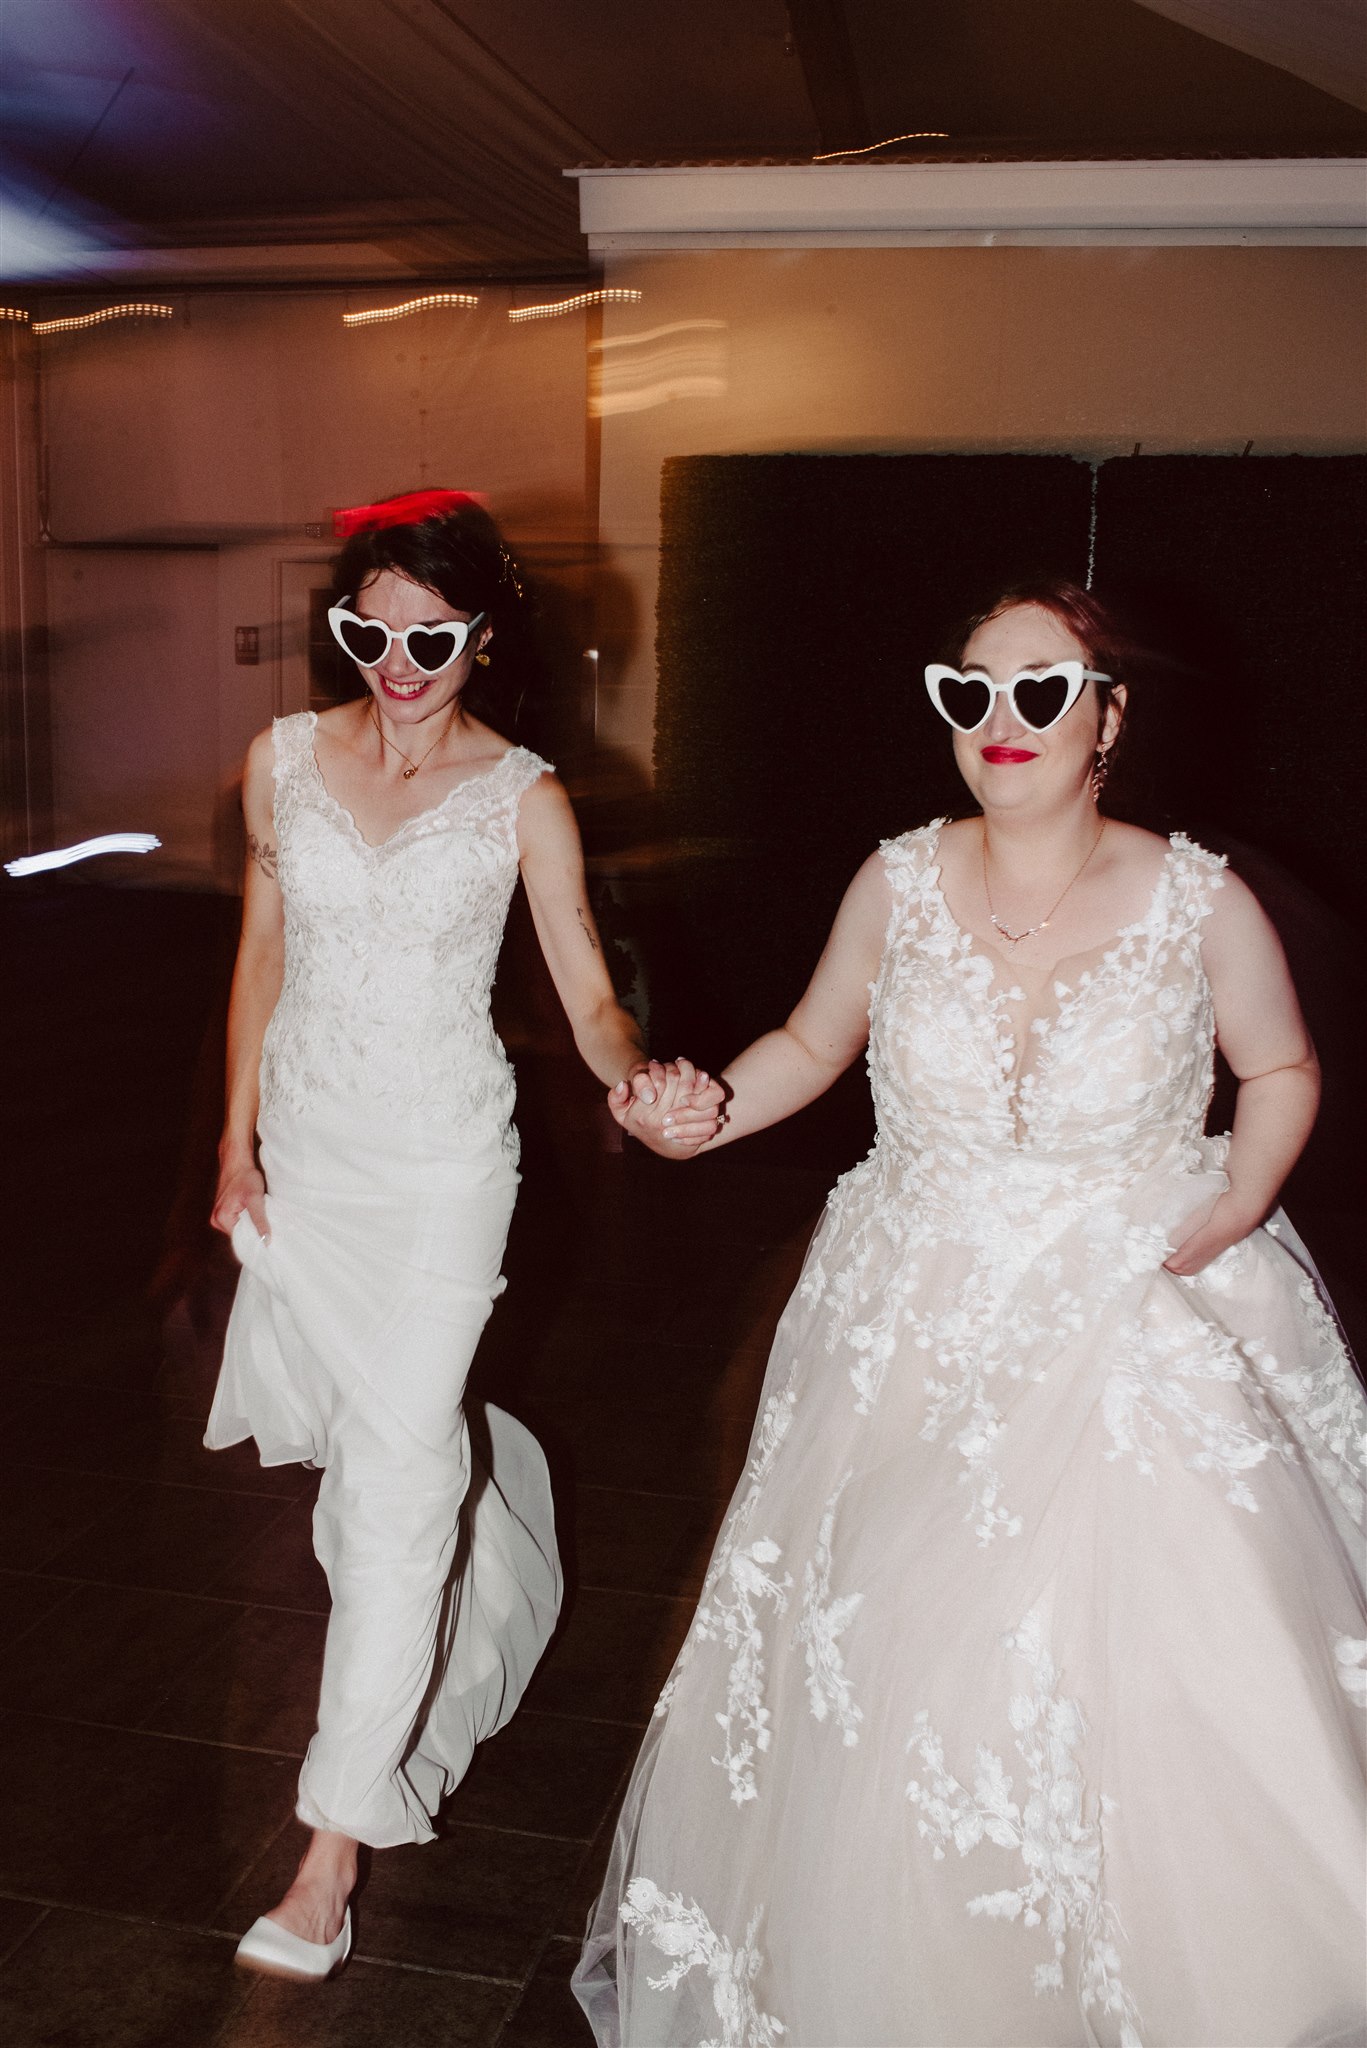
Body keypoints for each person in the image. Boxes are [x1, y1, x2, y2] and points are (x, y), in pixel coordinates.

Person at [575, 577, 1367, 2047]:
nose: (1002, 719)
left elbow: (1284, 1069)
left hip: (1133, 1309)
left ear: (1109, 716)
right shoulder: (895, 881)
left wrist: (1244, 1196)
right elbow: (815, 1043)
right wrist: (707, 1111)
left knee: (1130, 1667)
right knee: (892, 1663)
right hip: (910, 1324)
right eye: (971, 691)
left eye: (1042, 688)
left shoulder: (1196, 896)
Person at [205, 488, 714, 1981]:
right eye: (370, 629)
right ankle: (480, 1595)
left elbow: (590, 994)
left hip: (438, 1170)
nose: (398, 658)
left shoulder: (523, 796)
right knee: (369, 1462)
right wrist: (232, 1147)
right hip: (311, 1152)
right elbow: (259, 956)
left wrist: (638, 1084)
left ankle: (331, 1845)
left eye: (432, 633)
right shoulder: (282, 763)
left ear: (483, 635)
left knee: (405, 1475)